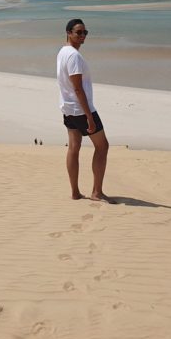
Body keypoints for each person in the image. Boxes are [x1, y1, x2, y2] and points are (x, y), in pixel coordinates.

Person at [57, 18, 110, 202]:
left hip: (68, 108)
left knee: (74, 147)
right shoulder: (73, 56)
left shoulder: (63, 52)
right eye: (78, 32)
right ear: (68, 33)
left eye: (85, 33)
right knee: (102, 146)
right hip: (80, 110)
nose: (82, 36)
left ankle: (75, 192)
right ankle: (97, 192)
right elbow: (78, 88)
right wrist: (89, 116)